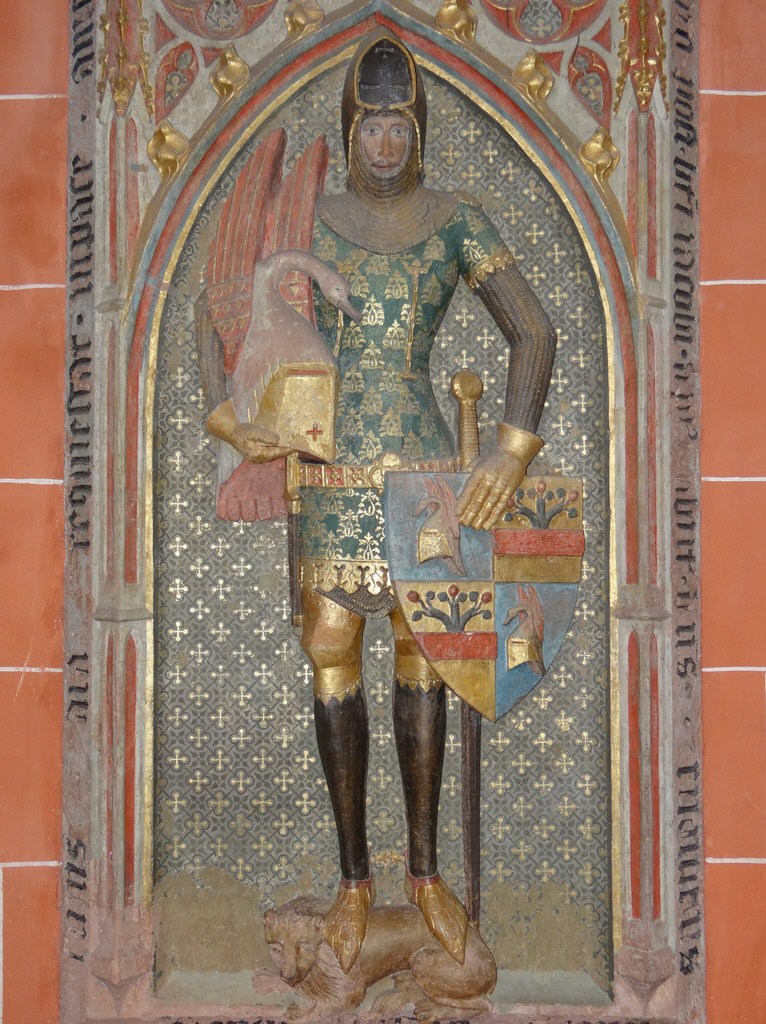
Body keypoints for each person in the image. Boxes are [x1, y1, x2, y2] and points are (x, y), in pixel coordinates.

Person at [206, 30, 556, 974]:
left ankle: (427, 876)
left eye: (402, 126)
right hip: (325, 471)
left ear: (419, 131)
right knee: (331, 652)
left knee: (425, 656)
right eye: (373, 126)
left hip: (424, 478)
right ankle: (356, 880)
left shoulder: (457, 221)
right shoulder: (311, 220)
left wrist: (510, 452)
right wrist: (235, 418)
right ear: (352, 129)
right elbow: (225, 308)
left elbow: (534, 331)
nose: (388, 143)